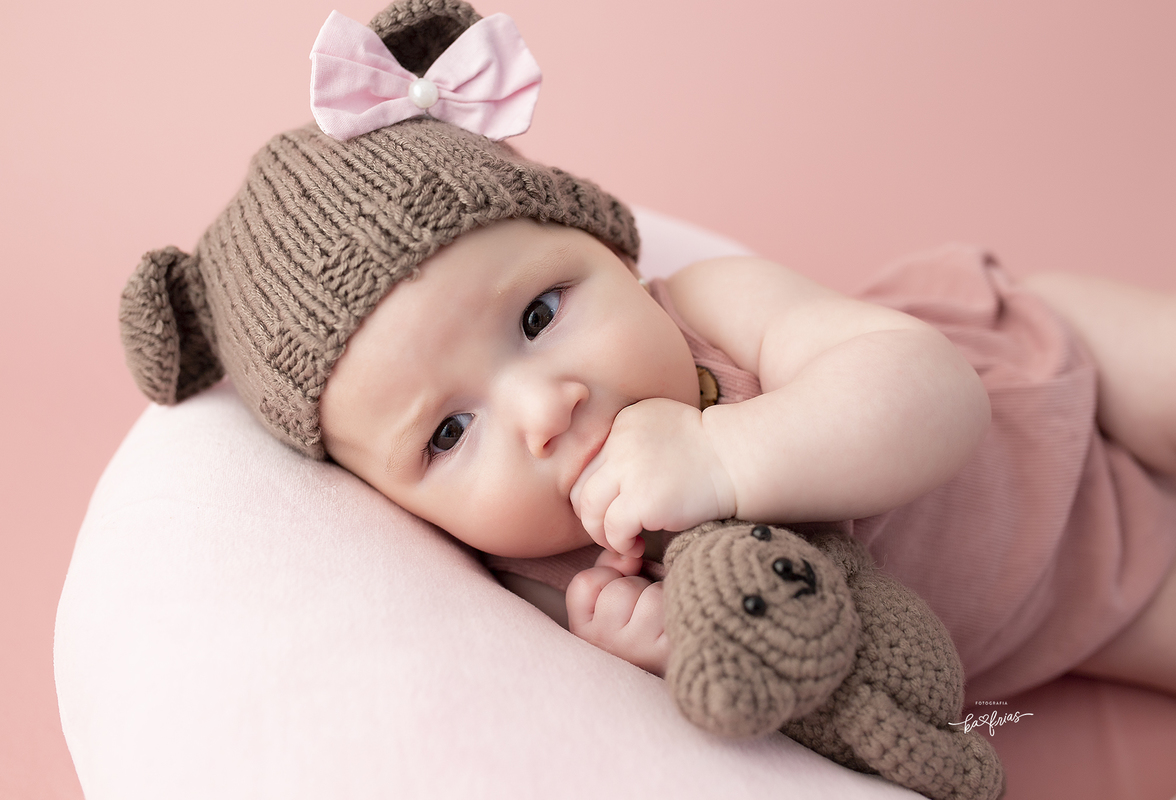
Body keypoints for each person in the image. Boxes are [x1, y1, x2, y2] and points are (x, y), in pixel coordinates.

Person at [120, 0, 1176, 702]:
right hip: (1079, 597)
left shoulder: (705, 305)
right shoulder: (549, 582)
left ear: (608, 248)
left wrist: (725, 459)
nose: (545, 407)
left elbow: (936, 394)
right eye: (448, 431)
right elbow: (772, 682)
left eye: (538, 315)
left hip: (1039, 364)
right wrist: (674, 653)